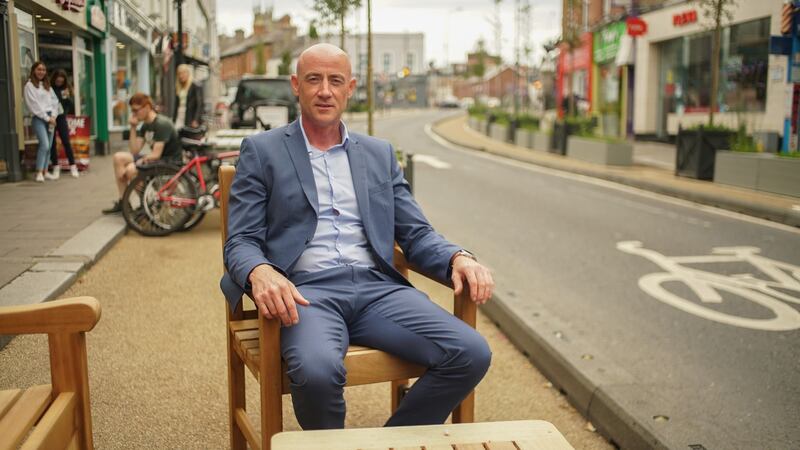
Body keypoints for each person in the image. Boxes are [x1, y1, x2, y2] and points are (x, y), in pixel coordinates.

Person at [221, 44, 494, 430]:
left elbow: (415, 232)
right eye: (313, 79)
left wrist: (457, 257)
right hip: (305, 294)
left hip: (378, 291)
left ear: (350, 88)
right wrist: (260, 271)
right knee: (316, 372)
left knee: (471, 352)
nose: (324, 91)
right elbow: (241, 240)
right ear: (296, 85)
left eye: (335, 81)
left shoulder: (379, 154)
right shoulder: (262, 151)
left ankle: (393, 442)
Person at [102, 93, 182, 214]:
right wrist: (133, 127)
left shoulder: (161, 124)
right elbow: (135, 150)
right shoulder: (146, 125)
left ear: (147, 107)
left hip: (169, 162)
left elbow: (156, 154)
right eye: (132, 111)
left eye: (136, 110)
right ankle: (124, 203)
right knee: (118, 157)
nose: (134, 114)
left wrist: (140, 161)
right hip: (158, 159)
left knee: (131, 169)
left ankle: (145, 203)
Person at [23, 61, 60, 183]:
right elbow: (33, 105)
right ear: (33, 70)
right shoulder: (29, 86)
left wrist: (53, 116)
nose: (41, 72)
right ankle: (39, 172)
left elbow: (55, 101)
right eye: (39, 69)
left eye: (43, 70)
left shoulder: (47, 85)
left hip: (51, 117)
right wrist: (47, 118)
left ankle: (45, 171)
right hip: (39, 118)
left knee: (49, 146)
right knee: (44, 144)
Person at [48, 69, 79, 179]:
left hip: (61, 117)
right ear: (54, 78)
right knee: (52, 143)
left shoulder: (66, 89)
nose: (59, 81)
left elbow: (70, 105)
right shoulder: (49, 88)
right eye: (58, 79)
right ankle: (56, 167)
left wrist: (67, 97)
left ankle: (73, 166)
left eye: (61, 80)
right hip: (51, 118)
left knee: (66, 141)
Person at [172, 64, 204, 130]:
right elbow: (176, 105)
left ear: (188, 73)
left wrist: (196, 119)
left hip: (190, 115)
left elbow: (200, 104)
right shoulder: (178, 87)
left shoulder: (195, 85)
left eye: (183, 73)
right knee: (178, 132)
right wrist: (173, 120)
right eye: (179, 74)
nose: (181, 75)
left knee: (188, 133)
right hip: (180, 114)